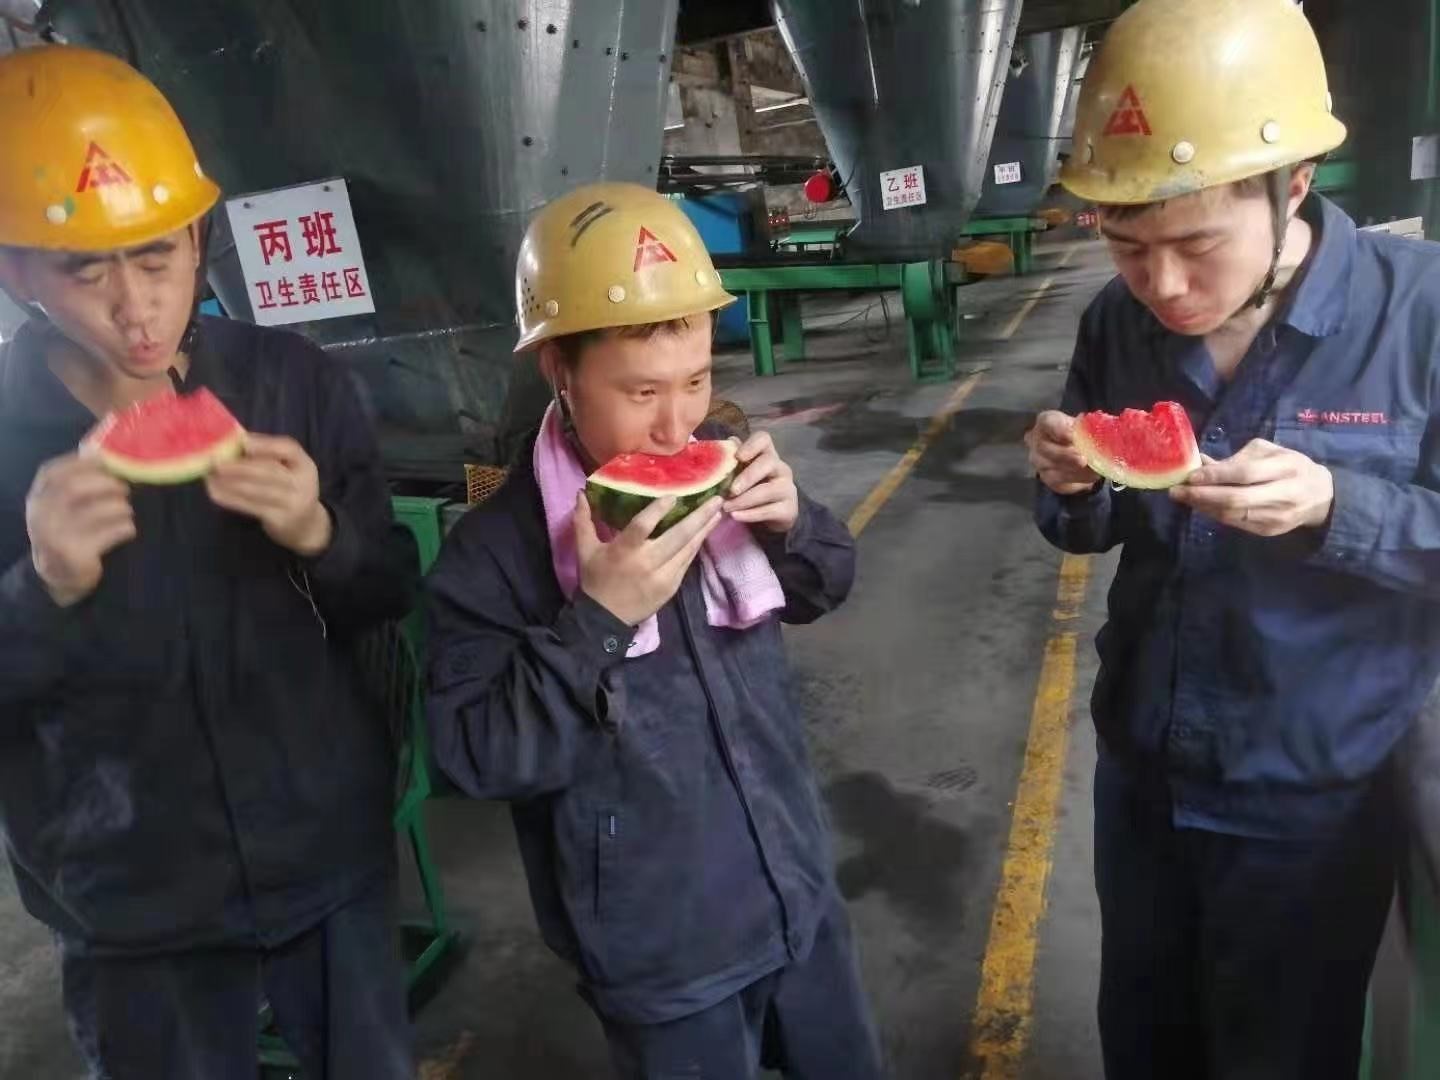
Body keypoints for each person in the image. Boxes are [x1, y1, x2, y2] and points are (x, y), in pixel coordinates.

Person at [1026, 0, 1440, 1076]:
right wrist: (1073, 487)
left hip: (1311, 795)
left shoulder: (1421, 315)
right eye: (1127, 247)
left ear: (1293, 184)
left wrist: (1339, 508)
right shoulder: (1114, 323)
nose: (1162, 285)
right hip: (1145, 774)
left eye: (1196, 244)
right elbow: (1090, 526)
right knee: (1147, 1043)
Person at [0, 45, 417, 1079]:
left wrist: (320, 533)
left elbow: (388, 584)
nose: (135, 308)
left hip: (326, 852)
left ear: (198, 237)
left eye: (158, 260)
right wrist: (39, 592)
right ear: (16, 272)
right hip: (128, 897)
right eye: (87, 271)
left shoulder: (294, 382)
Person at [425, 181, 884, 1079]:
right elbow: (478, 756)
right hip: (661, 956)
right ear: (559, 369)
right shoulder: (493, 555)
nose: (678, 427)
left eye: (698, 380)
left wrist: (796, 525)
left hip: (796, 893)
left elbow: (825, 585)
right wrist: (597, 621)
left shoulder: (725, 474)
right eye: (641, 391)